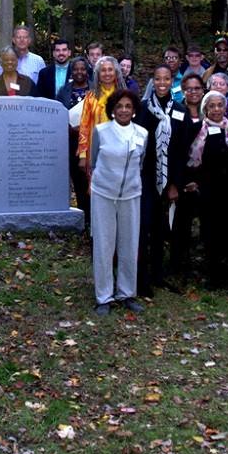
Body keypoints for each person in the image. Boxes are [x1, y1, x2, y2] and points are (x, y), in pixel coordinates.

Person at [90, 90, 148, 316]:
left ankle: (126, 293)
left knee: (129, 244)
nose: (124, 110)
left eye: (128, 106)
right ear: (112, 109)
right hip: (104, 194)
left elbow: (141, 163)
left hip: (131, 195)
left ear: (134, 110)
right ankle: (103, 296)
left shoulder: (142, 133)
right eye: (119, 106)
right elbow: (94, 162)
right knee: (104, 245)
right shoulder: (101, 131)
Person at [188, 91, 228, 290]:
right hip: (207, 191)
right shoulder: (196, 131)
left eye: (220, 105)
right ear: (205, 109)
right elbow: (190, 162)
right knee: (210, 233)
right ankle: (213, 276)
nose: (217, 109)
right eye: (212, 106)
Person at [136, 65, 181, 296]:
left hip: (168, 179)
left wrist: (174, 183)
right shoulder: (143, 108)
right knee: (144, 227)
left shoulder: (179, 110)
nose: (162, 83)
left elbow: (181, 149)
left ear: (172, 81)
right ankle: (141, 279)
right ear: (152, 81)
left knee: (161, 230)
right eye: (158, 79)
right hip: (145, 176)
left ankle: (158, 274)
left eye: (166, 79)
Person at [166, 74, 206, 275]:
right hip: (182, 178)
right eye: (189, 89)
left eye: (197, 88)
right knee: (180, 224)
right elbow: (173, 148)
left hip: (205, 178)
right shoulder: (176, 111)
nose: (193, 92)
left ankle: (205, 266)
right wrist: (177, 181)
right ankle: (177, 265)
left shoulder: (210, 111)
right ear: (183, 91)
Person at [77, 56, 125, 183]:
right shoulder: (91, 97)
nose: (107, 73)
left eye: (110, 70)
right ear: (98, 74)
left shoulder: (124, 96)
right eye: (103, 70)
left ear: (116, 73)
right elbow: (84, 127)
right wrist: (83, 155)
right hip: (96, 153)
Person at [58, 58, 92, 230]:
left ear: (88, 71)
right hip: (71, 143)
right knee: (78, 183)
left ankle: (95, 220)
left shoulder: (95, 90)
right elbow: (56, 116)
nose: (79, 72)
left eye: (82, 69)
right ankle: (83, 219)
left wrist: (86, 128)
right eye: (76, 69)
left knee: (91, 182)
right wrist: (69, 128)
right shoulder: (64, 91)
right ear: (71, 72)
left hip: (92, 144)